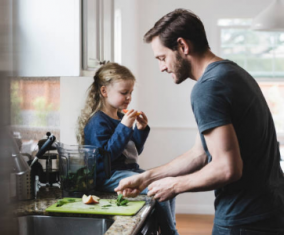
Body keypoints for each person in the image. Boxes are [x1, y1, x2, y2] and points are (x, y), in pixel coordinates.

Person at [115, 8, 284, 235]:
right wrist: (146, 178)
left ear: (183, 46)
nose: (162, 67)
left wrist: (174, 185)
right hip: (269, 210)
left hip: (244, 220)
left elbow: (227, 169)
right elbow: (200, 153)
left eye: (162, 58)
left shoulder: (208, 88)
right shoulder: (232, 73)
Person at [76, 62, 179, 235]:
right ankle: (170, 232)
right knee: (157, 187)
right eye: (124, 93)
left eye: (131, 92)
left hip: (128, 171)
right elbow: (106, 156)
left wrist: (140, 129)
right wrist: (124, 127)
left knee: (167, 182)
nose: (129, 97)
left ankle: (169, 228)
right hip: (109, 176)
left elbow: (132, 151)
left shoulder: (121, 116)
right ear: (104, 91)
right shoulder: (97, 122)